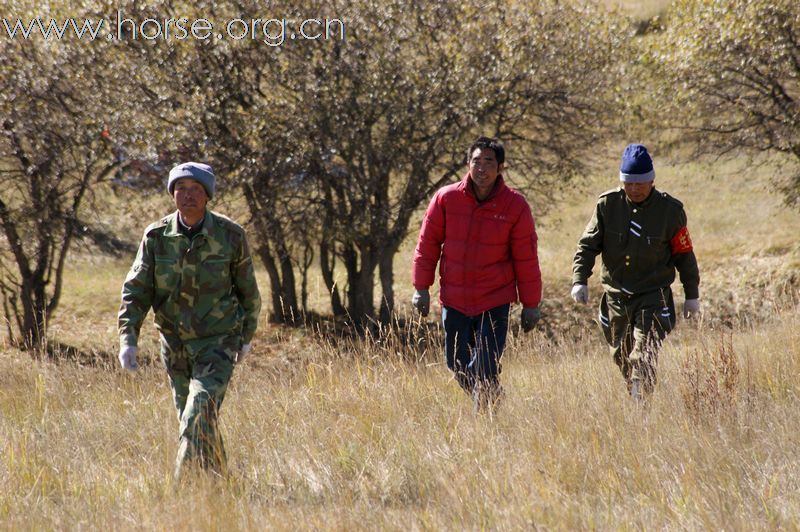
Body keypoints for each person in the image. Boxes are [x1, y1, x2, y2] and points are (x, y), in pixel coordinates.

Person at [118, 162, 261, 479]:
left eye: (196, 189)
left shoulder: (230, 236)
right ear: (172, 194)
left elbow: (249, 291)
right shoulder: (156, 237)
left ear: (208, 195)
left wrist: (246, 338)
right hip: (174, 347)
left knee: (196, 415)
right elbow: (136, 291)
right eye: (180, 188)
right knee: (196, 420)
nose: (188, 195)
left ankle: (181, 492)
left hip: (217, 343)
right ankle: (221, 484)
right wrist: (128, 340)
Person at [411, 136, 542, 411]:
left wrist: (531, 304)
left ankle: (486, 418)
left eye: (489, 162)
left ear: (501, 167)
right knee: (456, 363)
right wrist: (421, 288)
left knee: (485, 365)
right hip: (455, 298)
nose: (481, 168)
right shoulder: (446, 198)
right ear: (467, 164)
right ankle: (492, 400)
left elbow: (526, 258)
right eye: (476, 162)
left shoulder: (515, 205)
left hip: (494, 300)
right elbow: (427, 245)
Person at [571, 144, 701, 400]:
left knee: (642, 354)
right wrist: (580, 279)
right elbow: (588, 245)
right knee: (622, 355)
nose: (634, 189)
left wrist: (692, 295)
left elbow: (684, 256)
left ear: (652, 180)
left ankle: (641, 404)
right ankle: (637, 393)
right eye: (628, 183)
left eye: (640, 183)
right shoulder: (607, 205)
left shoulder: (670, 212)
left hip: (653, 296)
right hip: (616, 297)